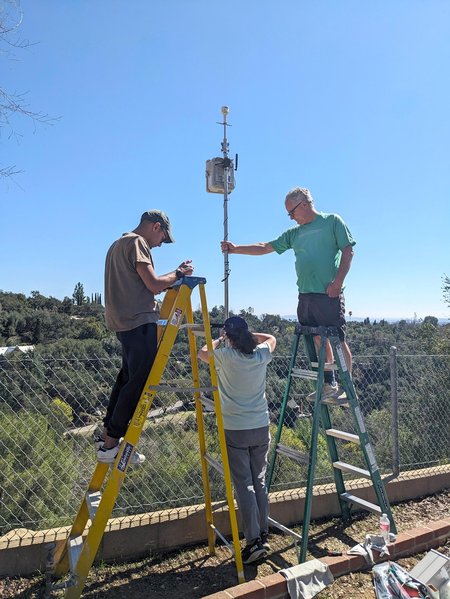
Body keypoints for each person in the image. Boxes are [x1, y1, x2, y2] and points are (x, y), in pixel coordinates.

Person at [221, 187, 355, 398]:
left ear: (303, 204)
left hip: (329, 294)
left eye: (291, 212)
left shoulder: (332, 222)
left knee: (337, 338)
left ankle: (347, 388)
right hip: (306, 296)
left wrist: (338, 283)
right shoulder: (295, 234)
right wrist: (236, 249)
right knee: (319, 340)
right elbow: (265, 247)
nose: (291, 218)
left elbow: (348, 250)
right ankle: (329, 385)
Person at [97, 209, 194, 464]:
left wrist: (168, 280)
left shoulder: (118, 244)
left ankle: (108, 435)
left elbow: (139, 285)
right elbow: (152, 284)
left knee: (127, 379)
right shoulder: (137, 242)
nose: (161, 244)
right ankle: (112, 444)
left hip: (123, 322)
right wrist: (179, 274)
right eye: (163, 237)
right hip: (139, 321)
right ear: (156, 226)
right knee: (138, 384)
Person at [198, 316, 276, 564]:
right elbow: (272, 339)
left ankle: (253, 541)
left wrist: (220, 338)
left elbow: (202, 353)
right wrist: (251, 335)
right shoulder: (261, 355)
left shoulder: (226, 356)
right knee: (259, 481)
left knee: (244, 484)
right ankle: (263, 533)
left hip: (236, 429)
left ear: (229, 338)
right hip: (260, 426)